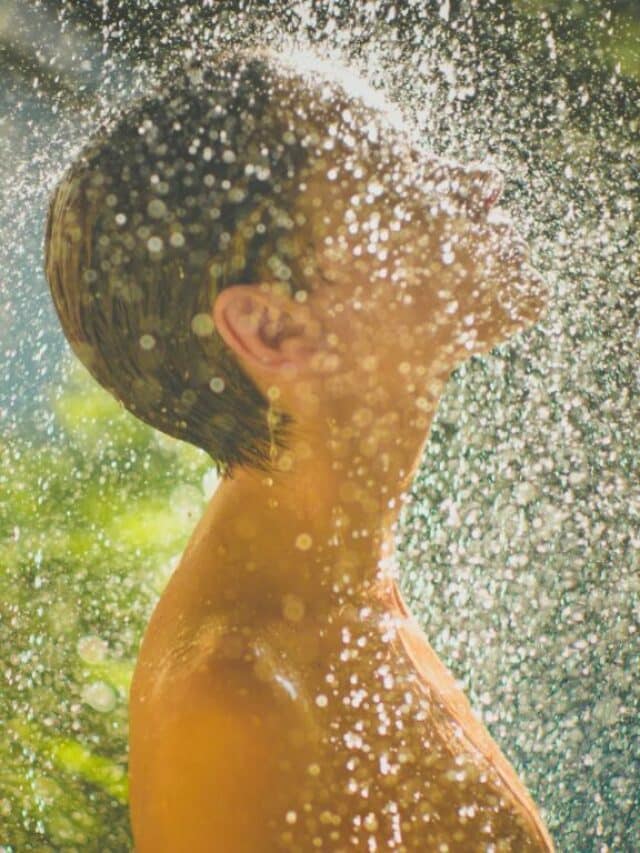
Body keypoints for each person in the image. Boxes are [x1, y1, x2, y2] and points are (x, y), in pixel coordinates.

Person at [45, 46, 554, 852]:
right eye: (396, 176)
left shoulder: (338, 583)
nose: (477, 178)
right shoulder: (231, 706)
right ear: (273, 328)